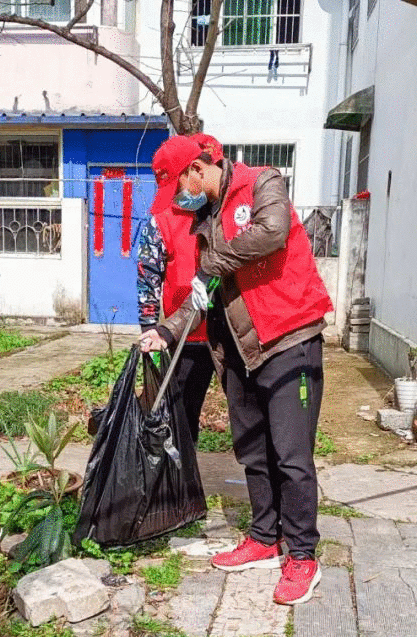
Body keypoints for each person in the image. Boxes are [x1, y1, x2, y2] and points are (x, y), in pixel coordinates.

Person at [138, 135, 333, 606]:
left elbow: (272, 232)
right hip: (240, 350)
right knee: (253, 451)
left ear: (196, 169)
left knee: (291, 456)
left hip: (288, 341)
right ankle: (265, 537)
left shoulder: (262, 182)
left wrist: (210, 266)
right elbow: (203, 294)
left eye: (177, 188)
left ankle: (302, 555)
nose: (178, 200)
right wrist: (166, 330)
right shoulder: (205, 219)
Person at [136, 133, 223, 443]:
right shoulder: (161, 222)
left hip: (226, 333)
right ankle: (181, 466)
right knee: (181, 413)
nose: (179, 194)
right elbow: (148, 277)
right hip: (183, 336)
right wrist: (150, 328)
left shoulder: (221, 212)